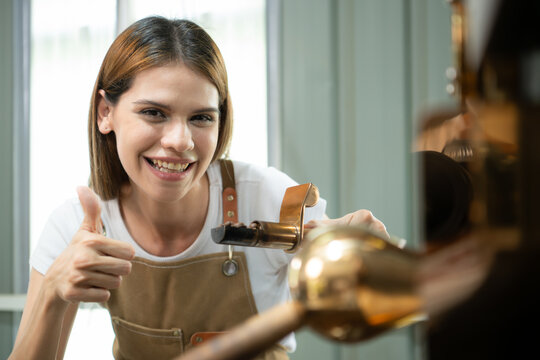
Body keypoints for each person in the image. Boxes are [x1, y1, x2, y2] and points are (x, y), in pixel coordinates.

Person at [9, 16, 387, 360]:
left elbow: (366, 298)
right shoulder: (77, 223)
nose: (180, 140)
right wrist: (52, 295)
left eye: (201, 117)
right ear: (105, 113)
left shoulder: (268, 198)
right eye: (154, 112)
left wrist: (371, 259)